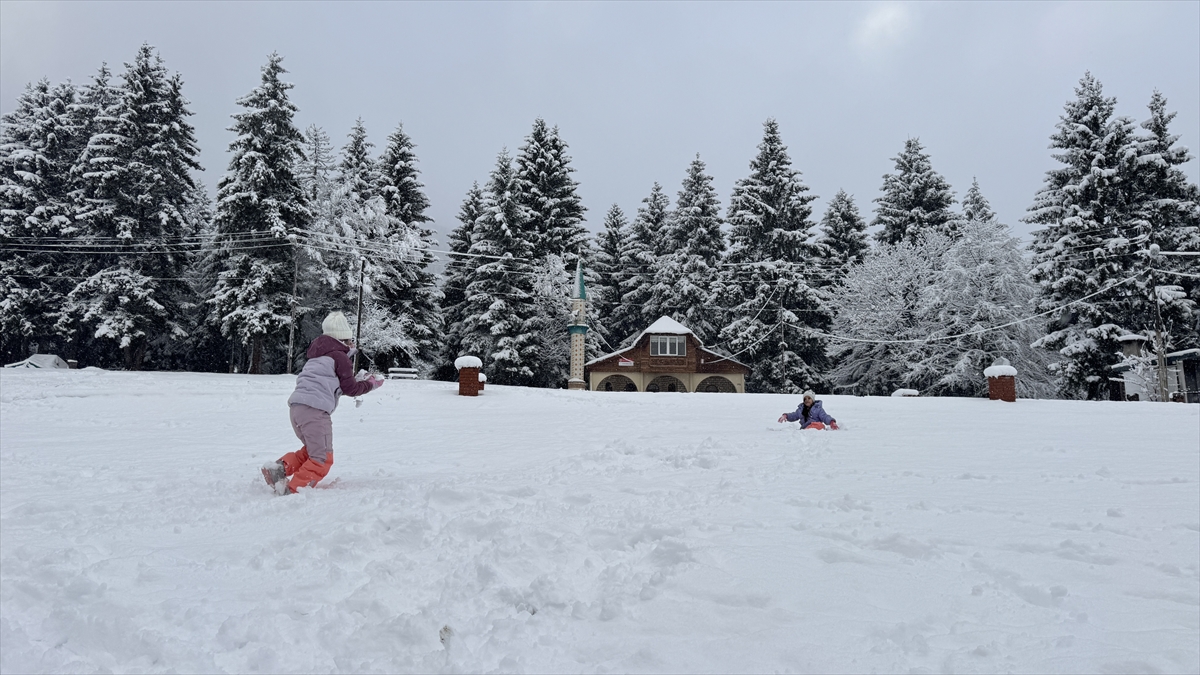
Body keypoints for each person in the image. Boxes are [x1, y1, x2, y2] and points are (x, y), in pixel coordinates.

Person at [261, 311, 383, 495]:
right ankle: (294, 490)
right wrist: (370, 385)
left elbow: (335, 384)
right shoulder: (340, 357)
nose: (352, 344)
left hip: (297, 409)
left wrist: (358, 380)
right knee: (322, 457)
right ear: (343, 339)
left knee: (312, 451)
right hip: (315, 412)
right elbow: (350, 389)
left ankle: (277, 470)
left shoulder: (318, 356)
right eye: (350, 340)